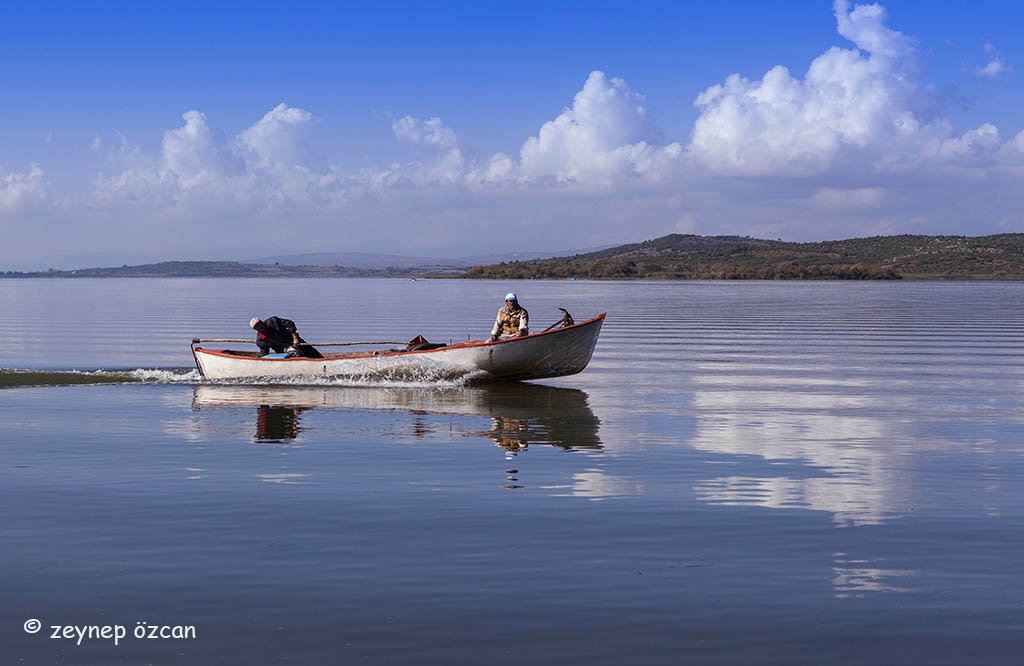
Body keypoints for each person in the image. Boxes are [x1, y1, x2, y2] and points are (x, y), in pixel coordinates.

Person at [250, 316, 323, 358]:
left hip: (293, 340)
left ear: (262, 322)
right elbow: (265, 354)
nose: (260, 327)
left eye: (260, 324)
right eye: (257, 327)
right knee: (295, 352)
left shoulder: (273, 321)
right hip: (282, 349)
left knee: (310, 350)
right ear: (256, 329)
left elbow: (290, 324)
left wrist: (295, 337)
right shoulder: (261, 340)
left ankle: (321, 361)